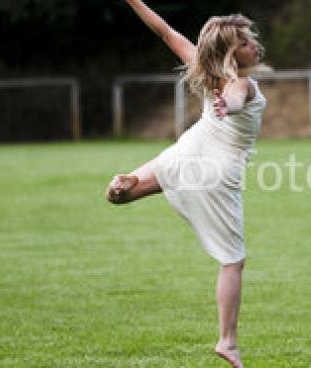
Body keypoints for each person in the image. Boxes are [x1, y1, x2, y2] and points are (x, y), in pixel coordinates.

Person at [105, 1, 268, 367]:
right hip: (213, 174)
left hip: (184, 156)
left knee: (123, 196)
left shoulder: (205, 69)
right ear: (230, 53)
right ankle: (228, 341)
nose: (253, 45)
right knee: (233, 262)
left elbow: (163, 30)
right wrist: (228, 103)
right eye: (244, 42)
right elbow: (238, 98)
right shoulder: (241, 83)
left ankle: (119, 185)